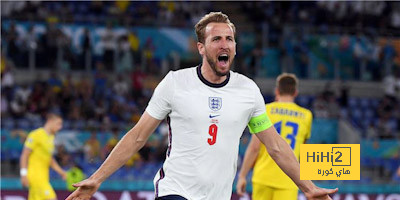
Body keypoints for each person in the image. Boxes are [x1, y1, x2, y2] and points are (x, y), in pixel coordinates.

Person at [66, 12, 337, 200]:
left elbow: (274, 145)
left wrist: (309, 187)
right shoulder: (174, 83)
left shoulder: (248, 91)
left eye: (229, 39)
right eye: (216, 39)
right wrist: (97, 178)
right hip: (176, 190)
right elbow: (138, 136)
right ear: (201, 47)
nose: (225, 44)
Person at [236, 73, 313, 200]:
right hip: (289, 180)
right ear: (295, 93)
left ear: (277, 91)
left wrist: (242, 176)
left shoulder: (265, 110)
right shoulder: (306, 115)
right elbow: (303, 153)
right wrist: (309, 185)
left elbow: (254, 148)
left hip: (263, 177)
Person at [19, 113, 67, 200]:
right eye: (58, 124)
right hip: (35, 177)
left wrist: (61, 172)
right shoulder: (36, 134)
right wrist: (23, 174)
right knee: (52, 198)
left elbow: (50, 160)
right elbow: (24, 155)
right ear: (50, 121)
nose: (60, 127)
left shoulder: (51, 137)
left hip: (44, 178)